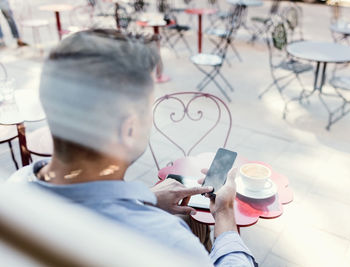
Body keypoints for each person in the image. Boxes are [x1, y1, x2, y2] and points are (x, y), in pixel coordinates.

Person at [10, 29, 255, 266]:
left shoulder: (15, 188)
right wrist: (224, 213)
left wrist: (145, 199)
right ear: (128, 129)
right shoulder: (167, 241)